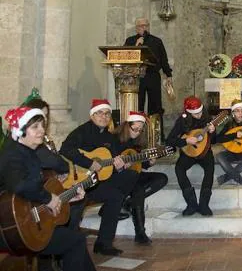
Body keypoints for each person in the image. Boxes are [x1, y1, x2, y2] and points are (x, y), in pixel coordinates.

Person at [0, 106, 96, 271]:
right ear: (20, 130)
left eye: (42, 126)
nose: (42, 131)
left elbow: (35, 187)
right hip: (12, 228)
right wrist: (49, 198)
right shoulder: (13, 154)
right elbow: (20, 185)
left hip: (30, 221)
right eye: (35, 127)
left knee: (74, 239)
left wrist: (66, 196)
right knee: (75, 241)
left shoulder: (28, 151)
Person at [60, 99, 139, 256]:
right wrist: (89, 163)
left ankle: (103, 244)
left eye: (107, 113)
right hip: (80, 182)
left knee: (127, 181)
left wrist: (120, 165)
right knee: (78, 206)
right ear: (92, 115)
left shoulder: (110, 138)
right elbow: (65, 149)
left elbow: (112, 163)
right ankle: (65, 249)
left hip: (98, 181)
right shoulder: (81, 131)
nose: (104, 116)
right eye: (100, 113)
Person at [113, 111, 168, 243]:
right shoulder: (114, 139)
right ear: (127, 125)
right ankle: (140, 233)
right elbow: (109, 161)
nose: (137, 132)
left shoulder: (137, 142)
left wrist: (149, 162)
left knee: (162, 178)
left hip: (135, 174)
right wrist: (121, 165)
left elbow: (139, 163)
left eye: (140, 130)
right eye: (135, 129)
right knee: (138, 191)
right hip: (118, 177)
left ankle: (128, 204)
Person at [166, 96, 216, 216]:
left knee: (210, 169)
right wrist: (186, 141)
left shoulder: (207, 118)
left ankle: (204, 204)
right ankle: (191, 203)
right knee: (179, 168)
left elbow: (213, 141)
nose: (199, 115)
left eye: (200, 112)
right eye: (195, 113)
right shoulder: (182, 121)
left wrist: (213, 132)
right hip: (189, 152)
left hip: (204, 151)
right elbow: (169, 140)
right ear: (188, 112)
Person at [124, 17, 172, 117]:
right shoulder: (130, 41)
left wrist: (168, 75)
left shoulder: (156, 41)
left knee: (155, 106)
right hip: (136, 76)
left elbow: (163, 59)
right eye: (141, 26)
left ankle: (157, 132)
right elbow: (125, 57)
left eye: (146, 25)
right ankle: (137, 130)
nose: (144, 28)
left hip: (152, 75)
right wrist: (136, 45)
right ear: (136, 28)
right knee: (137, 105)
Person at [214, 99, 242, 187]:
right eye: (237, 111)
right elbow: (218, 139)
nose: (240, 113)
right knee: (219, 156)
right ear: (233, 113)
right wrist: (234, 135)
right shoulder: (229, 124)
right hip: (231, 151)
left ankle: (226, 178)